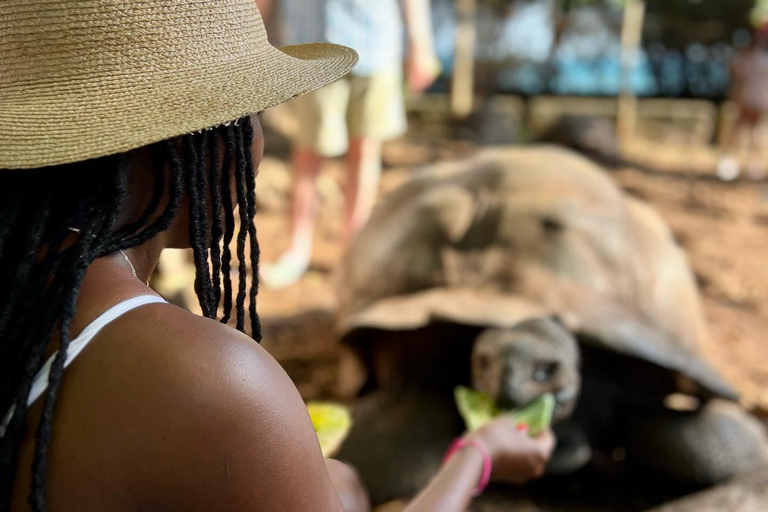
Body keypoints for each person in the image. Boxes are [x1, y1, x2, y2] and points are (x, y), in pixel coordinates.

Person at [0, 1, 553, 511]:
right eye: (250, 109)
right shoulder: (218, 381)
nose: (258, 142)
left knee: (344, 483)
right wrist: (477, 456)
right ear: (174, 144)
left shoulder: (27, 297)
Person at [259, 0, 441, 289]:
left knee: (366, 150)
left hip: (377, 46)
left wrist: (420, 43)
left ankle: (353, 251)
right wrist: (256, 38)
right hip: (311, 46)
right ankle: (296, 250)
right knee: (309, 152)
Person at [718, 26, 768, 181]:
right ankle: (736, 162)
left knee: (754, 132)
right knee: (743, 130)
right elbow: (736, 71)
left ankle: (752, 164)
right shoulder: (750, 55)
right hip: (749, 98)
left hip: (758, 99)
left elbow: (736, 70)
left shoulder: (752, 55)